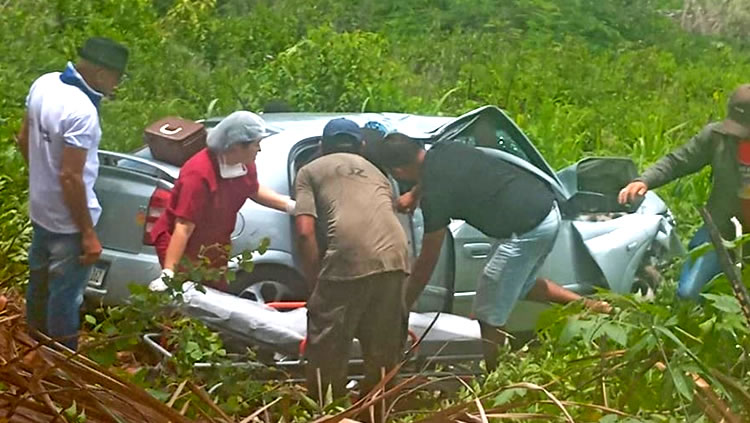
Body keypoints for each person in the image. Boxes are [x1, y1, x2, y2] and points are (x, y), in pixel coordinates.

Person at [375, 133, 608, 371]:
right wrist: (414, 195)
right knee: (516, 285)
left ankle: (492, 375)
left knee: (487, 313)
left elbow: (427, 260)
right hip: (544, 209)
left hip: (527, 228)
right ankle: (593, 307)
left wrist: (404, 305)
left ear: (399, 172)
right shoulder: (444, 149)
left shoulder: (435, 196)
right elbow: (433, 174)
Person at [16, 37, 129, 350]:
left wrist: (41, 178)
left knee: (38, 284)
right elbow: (70, 175)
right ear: (102, 73)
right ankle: (61, 365)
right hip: (68, 222)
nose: (116, 86)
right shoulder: (82, 111)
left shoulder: (45, 84)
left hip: (40, 209)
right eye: (117, 78)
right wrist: (89, 233)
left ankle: (32, 348)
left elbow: (24, 138)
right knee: (66, 296)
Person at [294, 118, 410, 405]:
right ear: (361, 146)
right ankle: (376, 409)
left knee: (327, 347)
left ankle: (328, 409)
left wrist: (314, 284)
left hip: (350, 256)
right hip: (396, 256)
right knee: (382, 348)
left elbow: (305, 232)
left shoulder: (309, 171)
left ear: (322, 147)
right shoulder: (379, 173)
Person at [619, 84, 750, 301]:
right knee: (688, 293)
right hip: (721, 228)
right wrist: (644, 181)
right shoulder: (717, 137)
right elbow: (678, 161)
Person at [148, 111, 295, 291]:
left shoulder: (243, 164)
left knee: (215, 298)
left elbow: (253, 190)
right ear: (235, 146)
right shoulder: (198, 174)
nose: (259, 149)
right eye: (256, 144)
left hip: (214, 246)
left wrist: (289, 205)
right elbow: (183, 227)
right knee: (183, 300)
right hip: (182, 246)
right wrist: (169, 273)